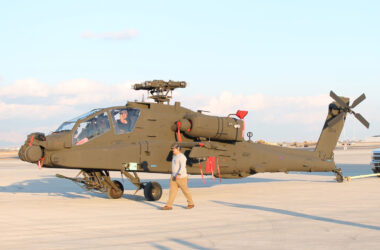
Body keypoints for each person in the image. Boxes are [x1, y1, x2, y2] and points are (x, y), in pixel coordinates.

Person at [161, 144, 195, 210]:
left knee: (185, 190)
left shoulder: (182, 157)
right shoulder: (174, 156)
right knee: (172, 191)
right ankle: (169, 205)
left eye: (174, 148)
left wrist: (179, 174)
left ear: (178, 149)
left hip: (181, 177)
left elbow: (182, 166)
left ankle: (191, 203)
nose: (172, 150)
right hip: (173, 176)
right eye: (172, 148)